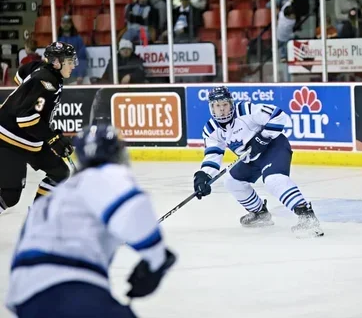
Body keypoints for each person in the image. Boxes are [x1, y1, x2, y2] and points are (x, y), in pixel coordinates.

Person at [5, 124, 176, 317]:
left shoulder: (56, 193)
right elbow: (134, 210)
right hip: (70, 286)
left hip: (23, 297)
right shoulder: (107, 175)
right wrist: (157, 261)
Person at [192, 86, 324, 237]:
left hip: (273, 148)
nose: (221, 110)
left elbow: (279, 116)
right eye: (217, 106)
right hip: (250, 158)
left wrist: (263, 137)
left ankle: (307, 216)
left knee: (273, 180)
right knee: (231, 181)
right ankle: (260, 213)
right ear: (211, 108)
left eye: (224, 104)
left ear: (231, 104)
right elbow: (213, 155)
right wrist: (204, 176)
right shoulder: (210, 129)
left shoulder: (246, 110)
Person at [0, 42, 76, 212]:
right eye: (69, 61)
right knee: (10, 196)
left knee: (60, 173)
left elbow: (20, 74)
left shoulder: (41, 68)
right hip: (7, 137)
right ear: (56, 62)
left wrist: (25, 93)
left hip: (29, 138)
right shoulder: (45, 82)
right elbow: (25, 118)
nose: (73, 65)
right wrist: (52, 138)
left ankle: (37, 217)